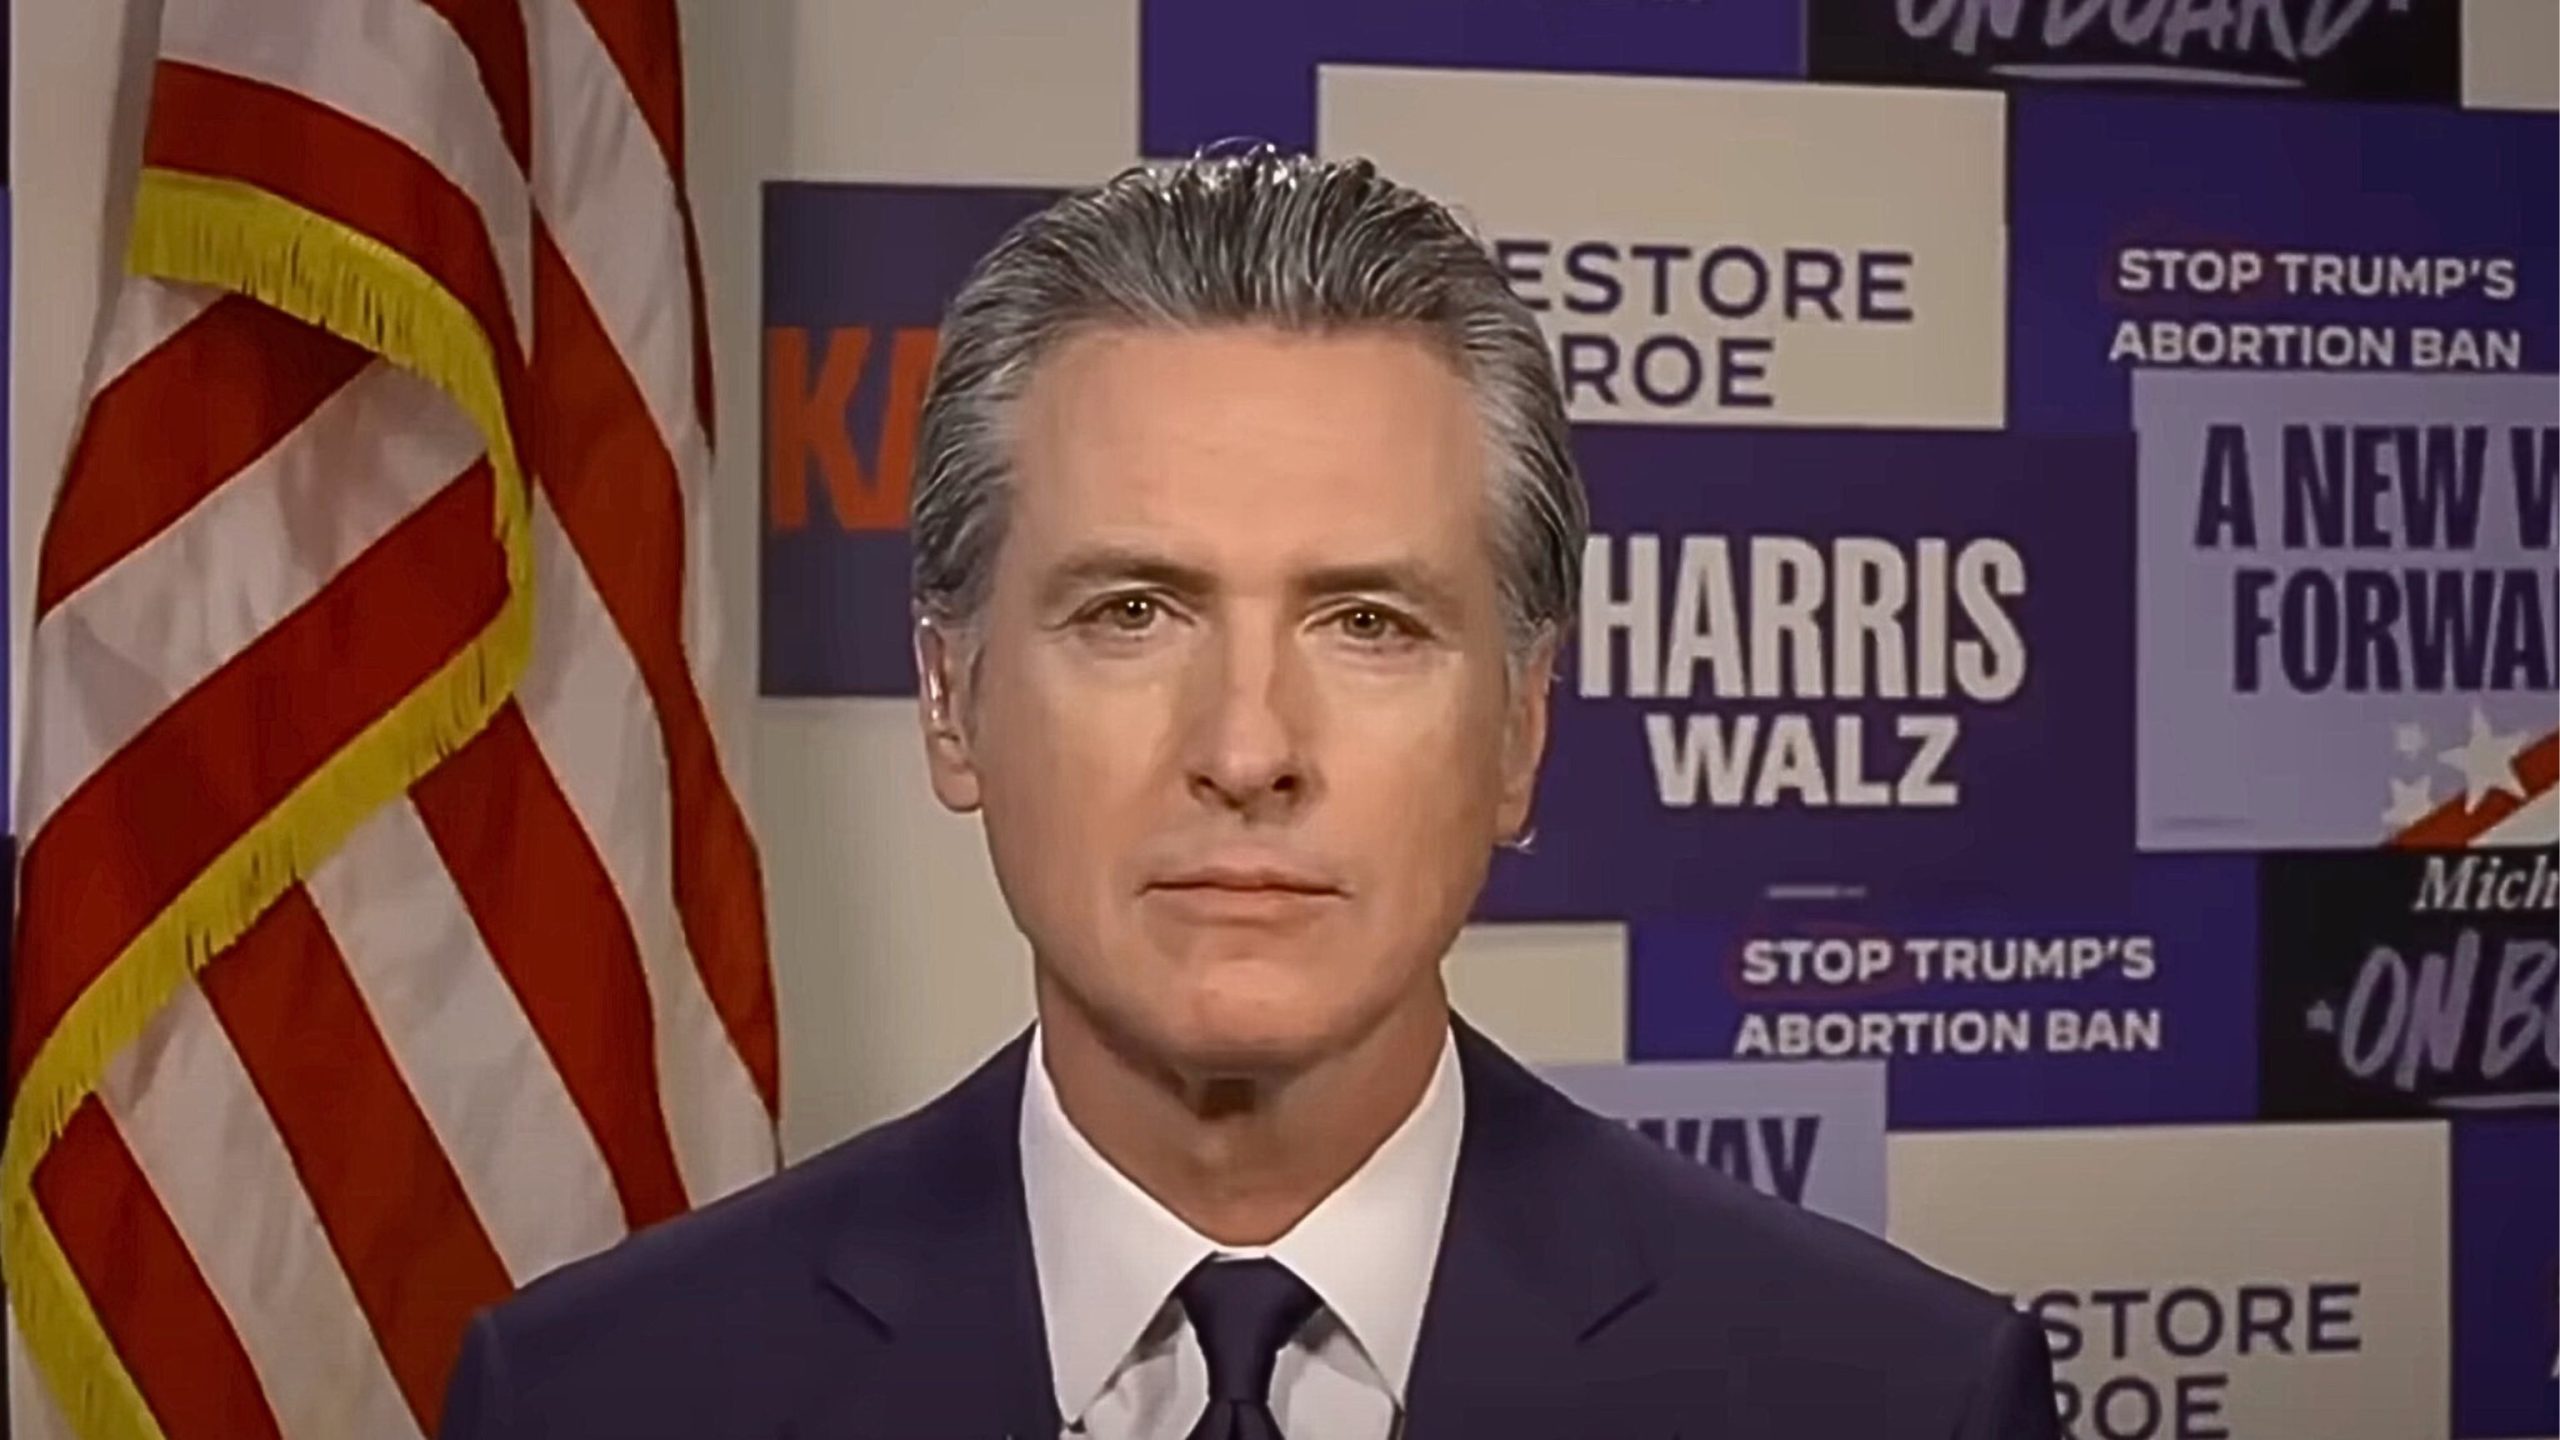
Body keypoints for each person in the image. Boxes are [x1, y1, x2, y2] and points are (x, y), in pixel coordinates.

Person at [438, 147, 2060, 1440]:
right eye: (1131, 611)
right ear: (952, 699)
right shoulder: (598, 1397)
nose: (1246, 748)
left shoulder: (1899, 1397)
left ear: (1518, 733)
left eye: (1369, 622)